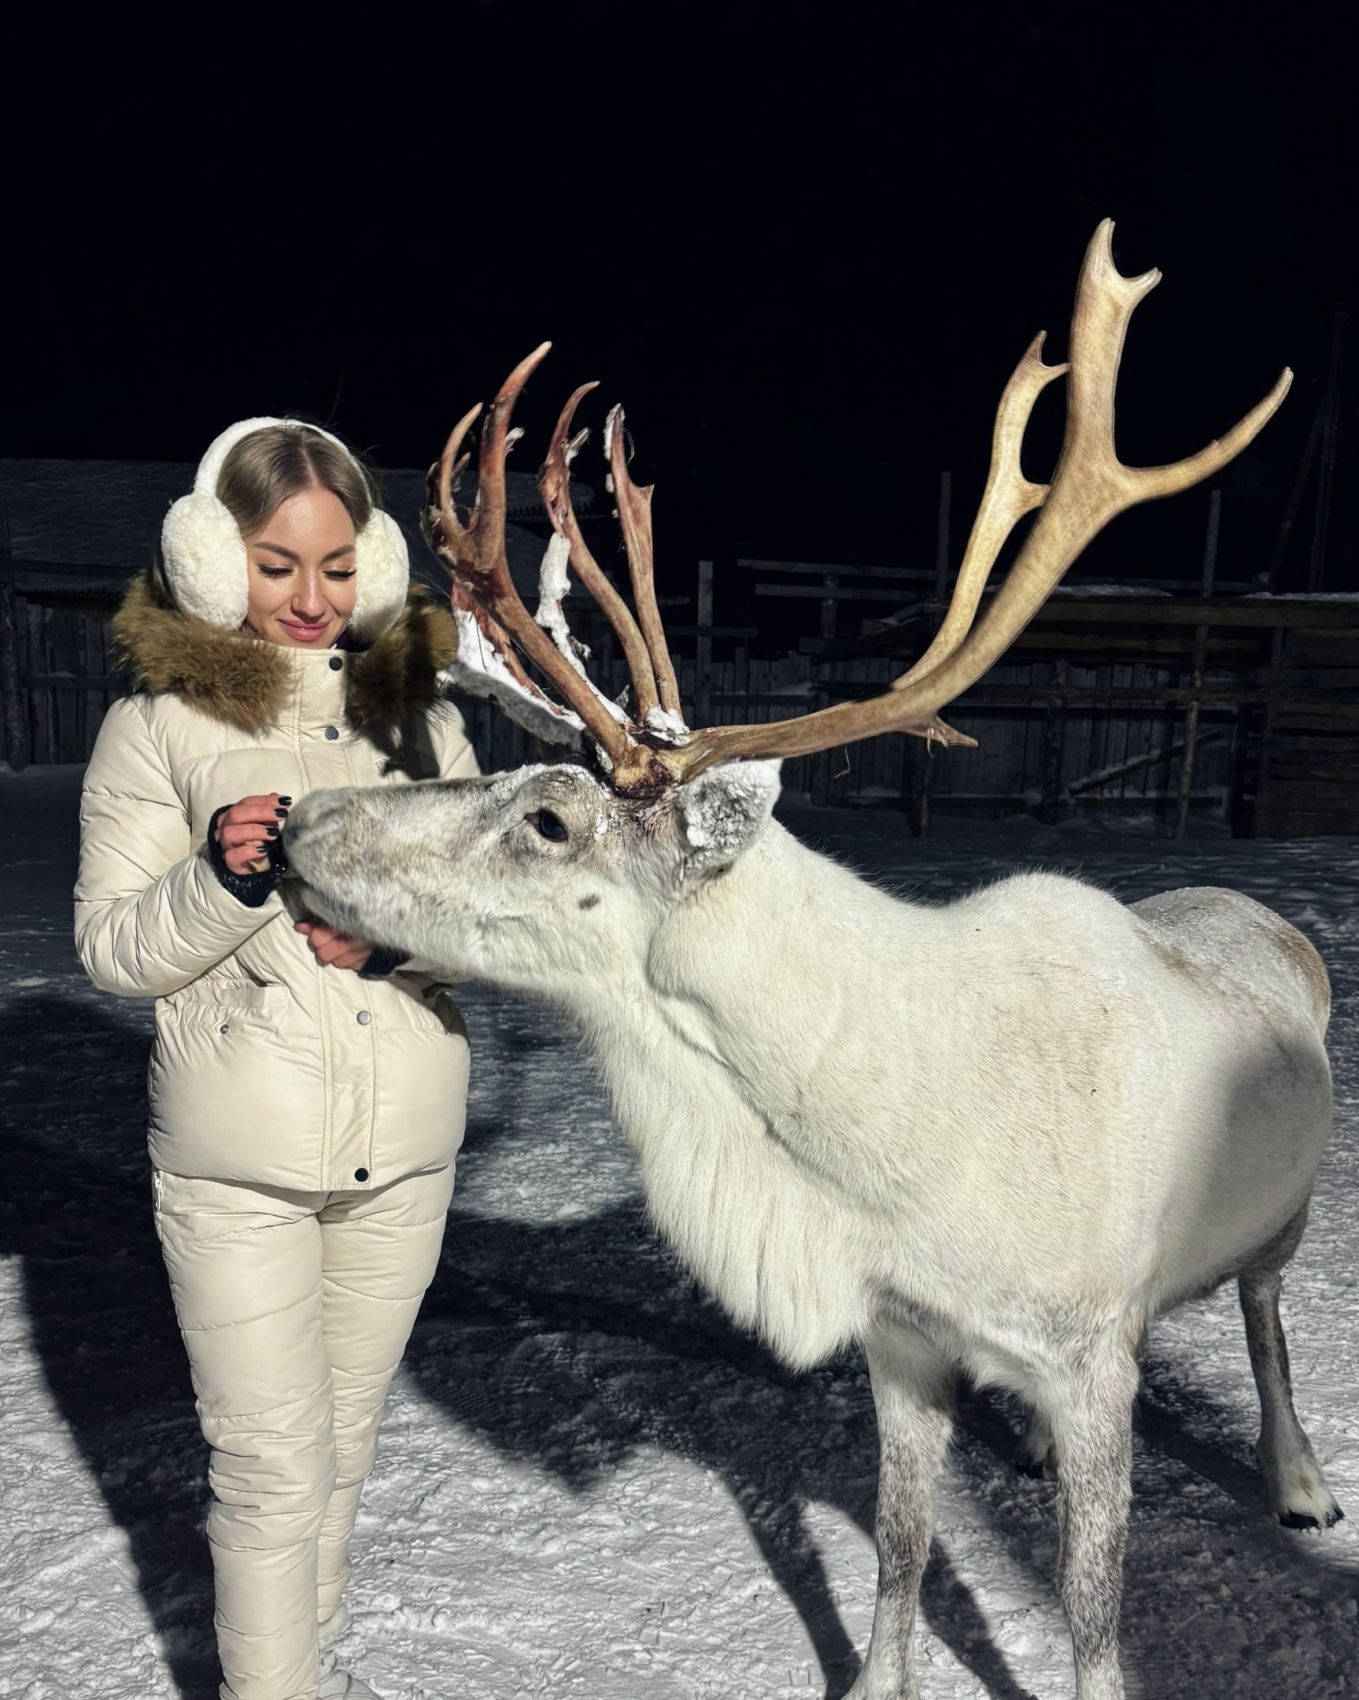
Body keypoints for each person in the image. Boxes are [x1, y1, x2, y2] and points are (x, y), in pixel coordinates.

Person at [74, 418, 480, 1700]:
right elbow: (110, 949)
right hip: (235, 1165)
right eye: (273, 563)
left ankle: (295, 1665)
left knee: (348, 1444)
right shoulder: (158, 730)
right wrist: (219, 880)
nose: (310, 599)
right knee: (269, 1465)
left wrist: (399, 945)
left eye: (335, 563)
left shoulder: (424, 726)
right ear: (210, 560)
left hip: (404, 1155)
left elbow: (504, 921)